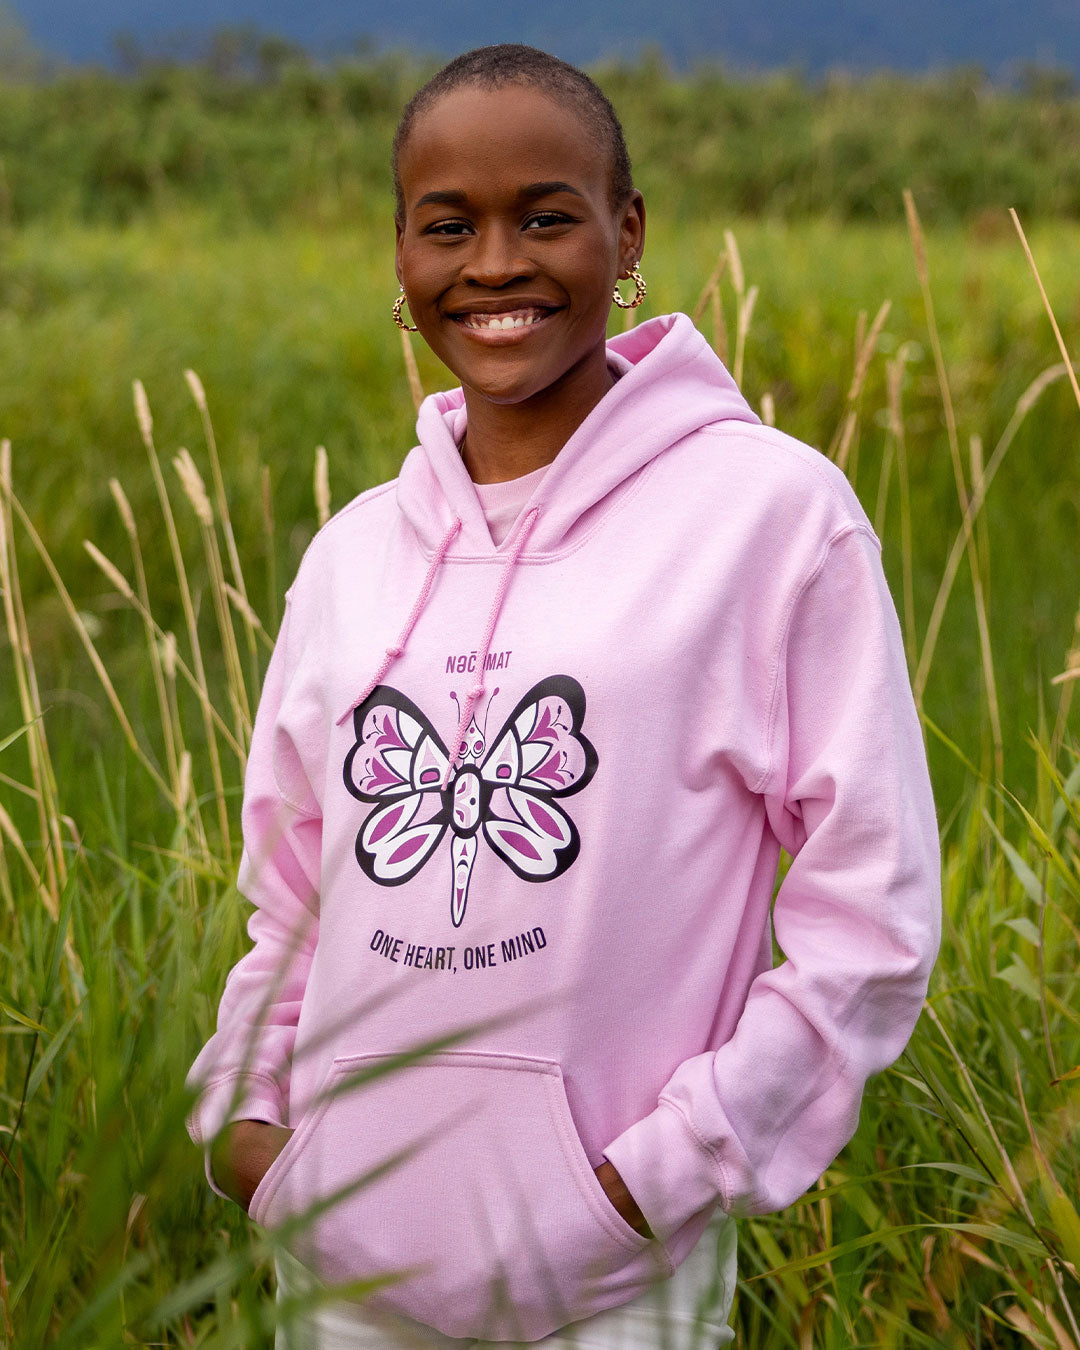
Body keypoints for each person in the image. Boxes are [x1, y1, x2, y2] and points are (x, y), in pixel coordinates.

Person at [184, 43, 942, 1350]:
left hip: (607, 1274)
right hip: (340, 1269)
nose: (494, 264)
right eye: (447, 225)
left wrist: (651, 1183)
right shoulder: (354, 554)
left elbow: (871, 918)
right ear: (401, 254)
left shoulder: (769, 516)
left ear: (625, 232)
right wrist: (254, 1143)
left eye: (545, 215)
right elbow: (294, 897)